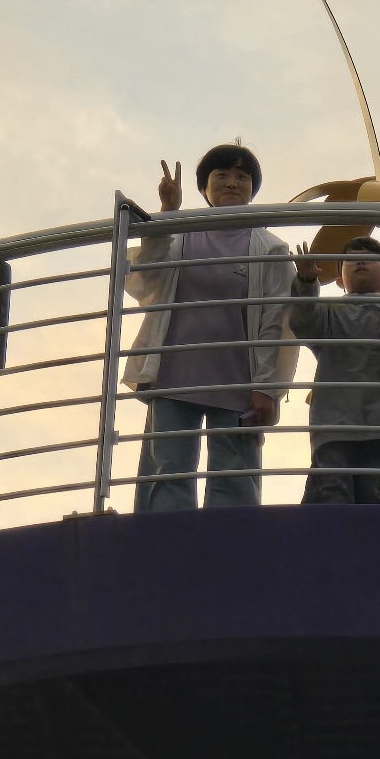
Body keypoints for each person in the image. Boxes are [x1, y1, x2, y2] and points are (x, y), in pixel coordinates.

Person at [123, 142, 297, 512]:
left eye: (242, 176)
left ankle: (229, 546)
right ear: (205, 186)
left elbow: (274, 323)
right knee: (166, 475)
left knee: (235, 482)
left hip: (238, 380)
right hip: (174, 374)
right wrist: (168, 212)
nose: (232, 182)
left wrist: (267, 388)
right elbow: (147, 276)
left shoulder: (270, 248)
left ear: (253, 188)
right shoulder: (180, 234)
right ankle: (164, 543)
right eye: (222, 175)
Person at [290, 236, 380, 505]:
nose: (360, 261)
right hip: (334, 428)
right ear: (340, 279)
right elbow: (302, 321)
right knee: (330, 503)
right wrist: (306, 282)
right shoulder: (328, 312)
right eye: (351, 258)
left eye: (370, 257)